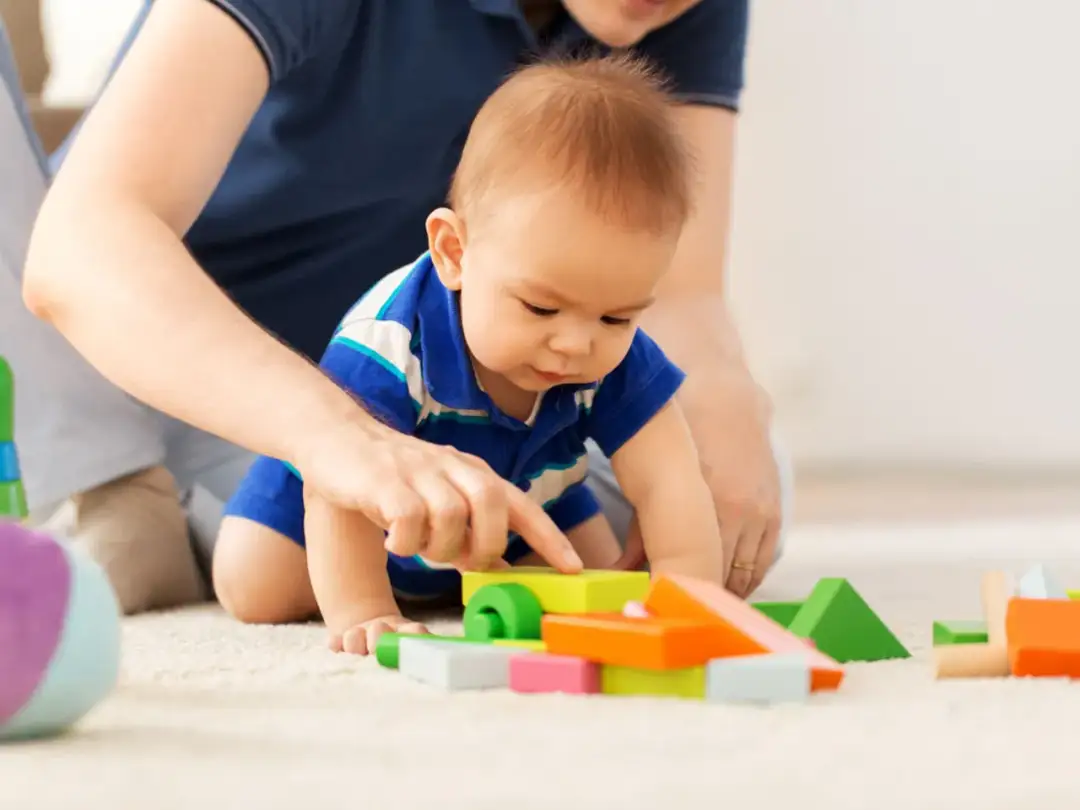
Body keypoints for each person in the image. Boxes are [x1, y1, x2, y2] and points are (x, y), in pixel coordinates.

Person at [6, 0, 790, 615]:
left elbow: (678, 290)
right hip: (144, 370)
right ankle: (110, 483)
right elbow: (80, 248)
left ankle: (203, 526)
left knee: (722, 473)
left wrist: (723, 398)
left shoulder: (673, 9)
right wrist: (343, 439)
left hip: (414, 413)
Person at [219, 54, 727, 654]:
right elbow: (341, 490)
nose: (576, 343)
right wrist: (365, 610)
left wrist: (691, 597)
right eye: (541, 307)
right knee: (254, 588)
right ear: (454, 252)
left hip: (524, 508)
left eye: (617, 317)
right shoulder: (389, 344)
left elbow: (670, 479)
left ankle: (458, 582)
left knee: (590, 585)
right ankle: (194, 522)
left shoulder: (617, 354)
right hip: (350, 512)